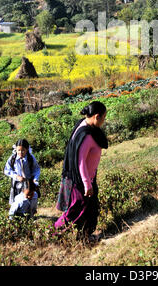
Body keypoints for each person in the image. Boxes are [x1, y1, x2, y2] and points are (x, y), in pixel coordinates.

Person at [54, 101, 108, 239]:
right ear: (97, 116)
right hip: (80, 181)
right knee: (75, 210)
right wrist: (87, 184)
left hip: (87, 178)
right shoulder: (87, 135)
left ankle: (84, 235)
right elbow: (80, 162)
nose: (104, 121)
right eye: (103, 117)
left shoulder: (84, 124)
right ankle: (54, 234)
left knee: (90, 209)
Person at [4, 138, 40, 206]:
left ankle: (29, 214)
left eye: (23, 150)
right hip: (17, 183)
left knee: (28, 199)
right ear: (16, 149)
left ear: (27, 149)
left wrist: (35, 179)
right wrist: (16, 176)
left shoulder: (30, 158)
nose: (20, 152)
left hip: (28, 184)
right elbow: (7, 170)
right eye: (19, 150)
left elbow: (36, 169)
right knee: (17, 201)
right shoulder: (13, 158)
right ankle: (16, 215)